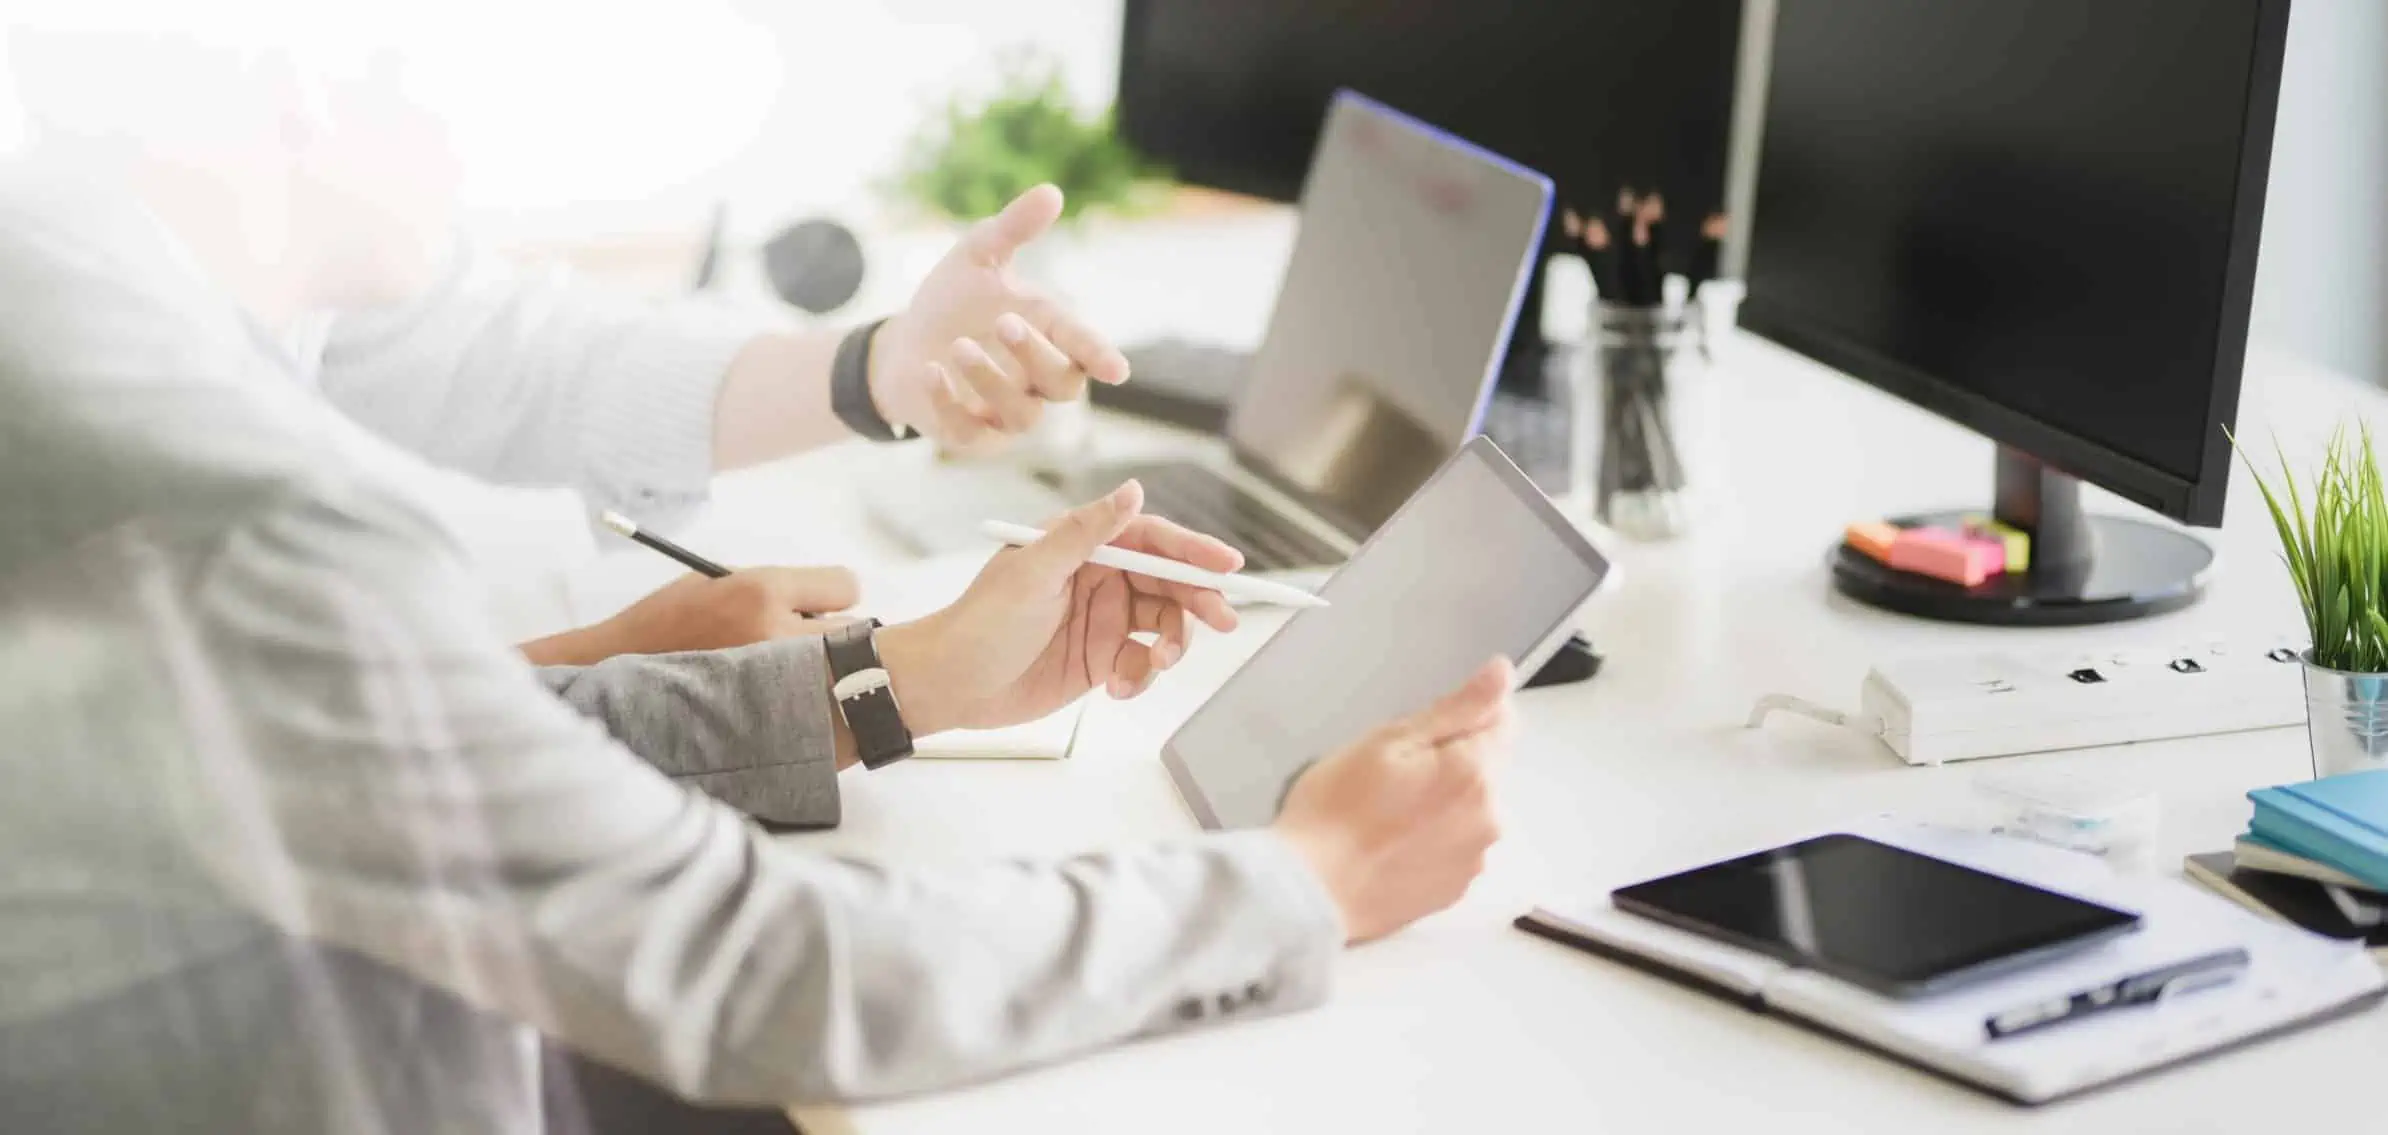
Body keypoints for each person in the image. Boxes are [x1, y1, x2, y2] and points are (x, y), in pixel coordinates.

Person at [0, 156, 1515, 1135]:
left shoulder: (100, 358)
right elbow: (766, 971)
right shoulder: (197, 499)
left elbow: (361, 767)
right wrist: (1299, 883)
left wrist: (883, 678)